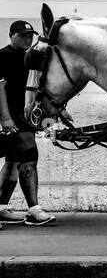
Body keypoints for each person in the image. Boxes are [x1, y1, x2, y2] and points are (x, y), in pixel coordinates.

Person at [0, 19, 55, 226]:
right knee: (29, 158)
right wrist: (5, 118)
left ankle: (1, 207)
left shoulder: (30, 59)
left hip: (25, 119)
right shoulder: (2, 56)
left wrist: (58, 113)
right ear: (11, 35)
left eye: (30, 36)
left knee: (13, 163)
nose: (27, 39)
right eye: (22, 35)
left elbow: (41, 88)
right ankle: (34, 211)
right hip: (11, 119)